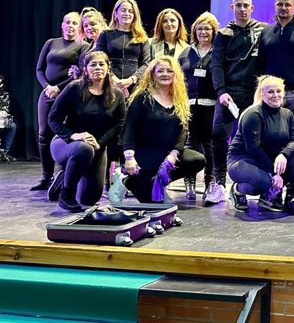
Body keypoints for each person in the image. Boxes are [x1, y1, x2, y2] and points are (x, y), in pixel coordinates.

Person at [109, 56, 205, 204]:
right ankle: (126, 181)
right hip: (144, 154)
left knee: (197, 160)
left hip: (167, 154)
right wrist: (129, 157)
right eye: (160, 71)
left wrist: (174, 155)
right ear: (153, 74)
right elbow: (129, 129)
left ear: (175, 74)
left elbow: (183, 131)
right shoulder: (142, 97)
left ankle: (157, 182)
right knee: (155, 204)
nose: (165, 74)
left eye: (169, 71)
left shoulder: (180, 98)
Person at [47, 52, 126, 212]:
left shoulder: (117, 94)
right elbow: (53, 119)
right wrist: (73, 135)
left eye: (101, 64)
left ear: (108, 67)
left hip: (97, 147)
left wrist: (100, 143)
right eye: (93, 64)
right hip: (66, 144)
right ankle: (66, 195)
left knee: (89, 199)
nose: (98, 68)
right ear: (85, 69)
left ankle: (65, 177)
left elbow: (119, 124)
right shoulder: (74, 88)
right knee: (83, 148)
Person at [208, 0, 267, 202]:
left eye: (246, 6)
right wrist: (221, 91)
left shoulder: (263, 30)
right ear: (232, 8)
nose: (242, 9)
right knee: (218, 135)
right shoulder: (223, 34)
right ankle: (219, 183)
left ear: (252, 8)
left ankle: (255, 183)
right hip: (229, 95)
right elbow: (216, 64)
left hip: (254, 95)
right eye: (239, 6)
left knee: (256, 139)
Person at [227, 75, 294, 212]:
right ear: (262, 94)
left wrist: (283, 155)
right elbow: (254, 148)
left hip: (269, 159)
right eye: (270, 92)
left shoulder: (287, 114)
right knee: (263, 181)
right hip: (243, 160)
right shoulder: (253, 114)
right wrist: (273, 174)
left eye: (278, 91)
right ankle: (237, 190)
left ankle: (269, 196)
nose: (275, 95)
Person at [32, 12, 89, 190]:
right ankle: (46, 176)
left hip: (68, 93)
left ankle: (62, 175)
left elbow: (81, 71)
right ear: (62, 25)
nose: (71, 26)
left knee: (64, 132)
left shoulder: (83, 46)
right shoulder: (50, 43)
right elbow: (39, 69)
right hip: (47, 93)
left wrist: (59, 88)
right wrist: (47, 87)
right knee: (43, 134)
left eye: (74, 23)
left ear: (78, 27)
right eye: (67, 22)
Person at [256, 0, 294, 156]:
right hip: (270, 96)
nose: (283, 7)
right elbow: (260, 65)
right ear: (275, 6)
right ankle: (272, 178)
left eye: (287, 4)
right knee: (268, 138)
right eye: (280, 4)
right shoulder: (266, 32)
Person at [178, 12, 219, 202]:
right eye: (200, 28)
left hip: (210, 106)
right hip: (188, 106)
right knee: (190, 144)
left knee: (209, 145)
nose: (203, 32)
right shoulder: (186, 52)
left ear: (213, 31)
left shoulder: (218, 51)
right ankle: (190, 183)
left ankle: (210, 182)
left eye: (207, 28)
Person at [95, 0, 151, 98]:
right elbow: (99, 59)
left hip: (135, 86)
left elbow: (146, 63)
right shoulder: (105, 34)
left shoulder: (142, 37)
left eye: (131, 11)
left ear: (135, 15)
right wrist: (113, 79)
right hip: (109, 83)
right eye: (123, 10)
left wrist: (131, 80)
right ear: (116, 14)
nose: (127, 14)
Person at [69, 9, 108, 80]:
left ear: (101, 24)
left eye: (93, 24)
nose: (89, 28)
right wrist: (77, 72)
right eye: (86, 26)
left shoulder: (108, 44)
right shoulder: (89, 46)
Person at [0, 75, 17, 162]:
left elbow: (5, 108)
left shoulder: (5, 95)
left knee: (12, 126)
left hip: (1, 118)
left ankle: (5, 153)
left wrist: (4, 114)